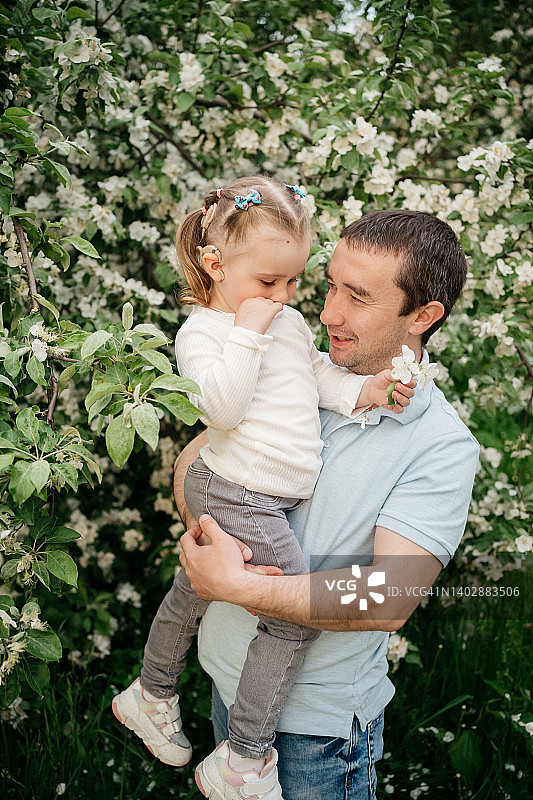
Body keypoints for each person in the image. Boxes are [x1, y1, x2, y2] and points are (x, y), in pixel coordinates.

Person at [111, 177, 414, 800]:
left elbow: (315, 382)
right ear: (216, 265)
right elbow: (220, 410)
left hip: (257, 492)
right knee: (292, 618)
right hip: (239, 489)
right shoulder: (205, 333)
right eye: (268, 283)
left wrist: (366, 392)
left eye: (294, 283)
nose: (284, 297)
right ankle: (245, 757)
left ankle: (151, 691)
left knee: (193, 588)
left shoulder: (287, 326)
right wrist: (247, 330)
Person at [175, 209, 480, 800]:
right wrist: (203, 528)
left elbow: (390, 596)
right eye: (331, 284)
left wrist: (238, 587)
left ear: (423, 315)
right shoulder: (310, 370)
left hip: (316, 735)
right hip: (225, 687)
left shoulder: (440, 446)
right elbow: (194, 460)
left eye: (358, 298)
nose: (326, 313)